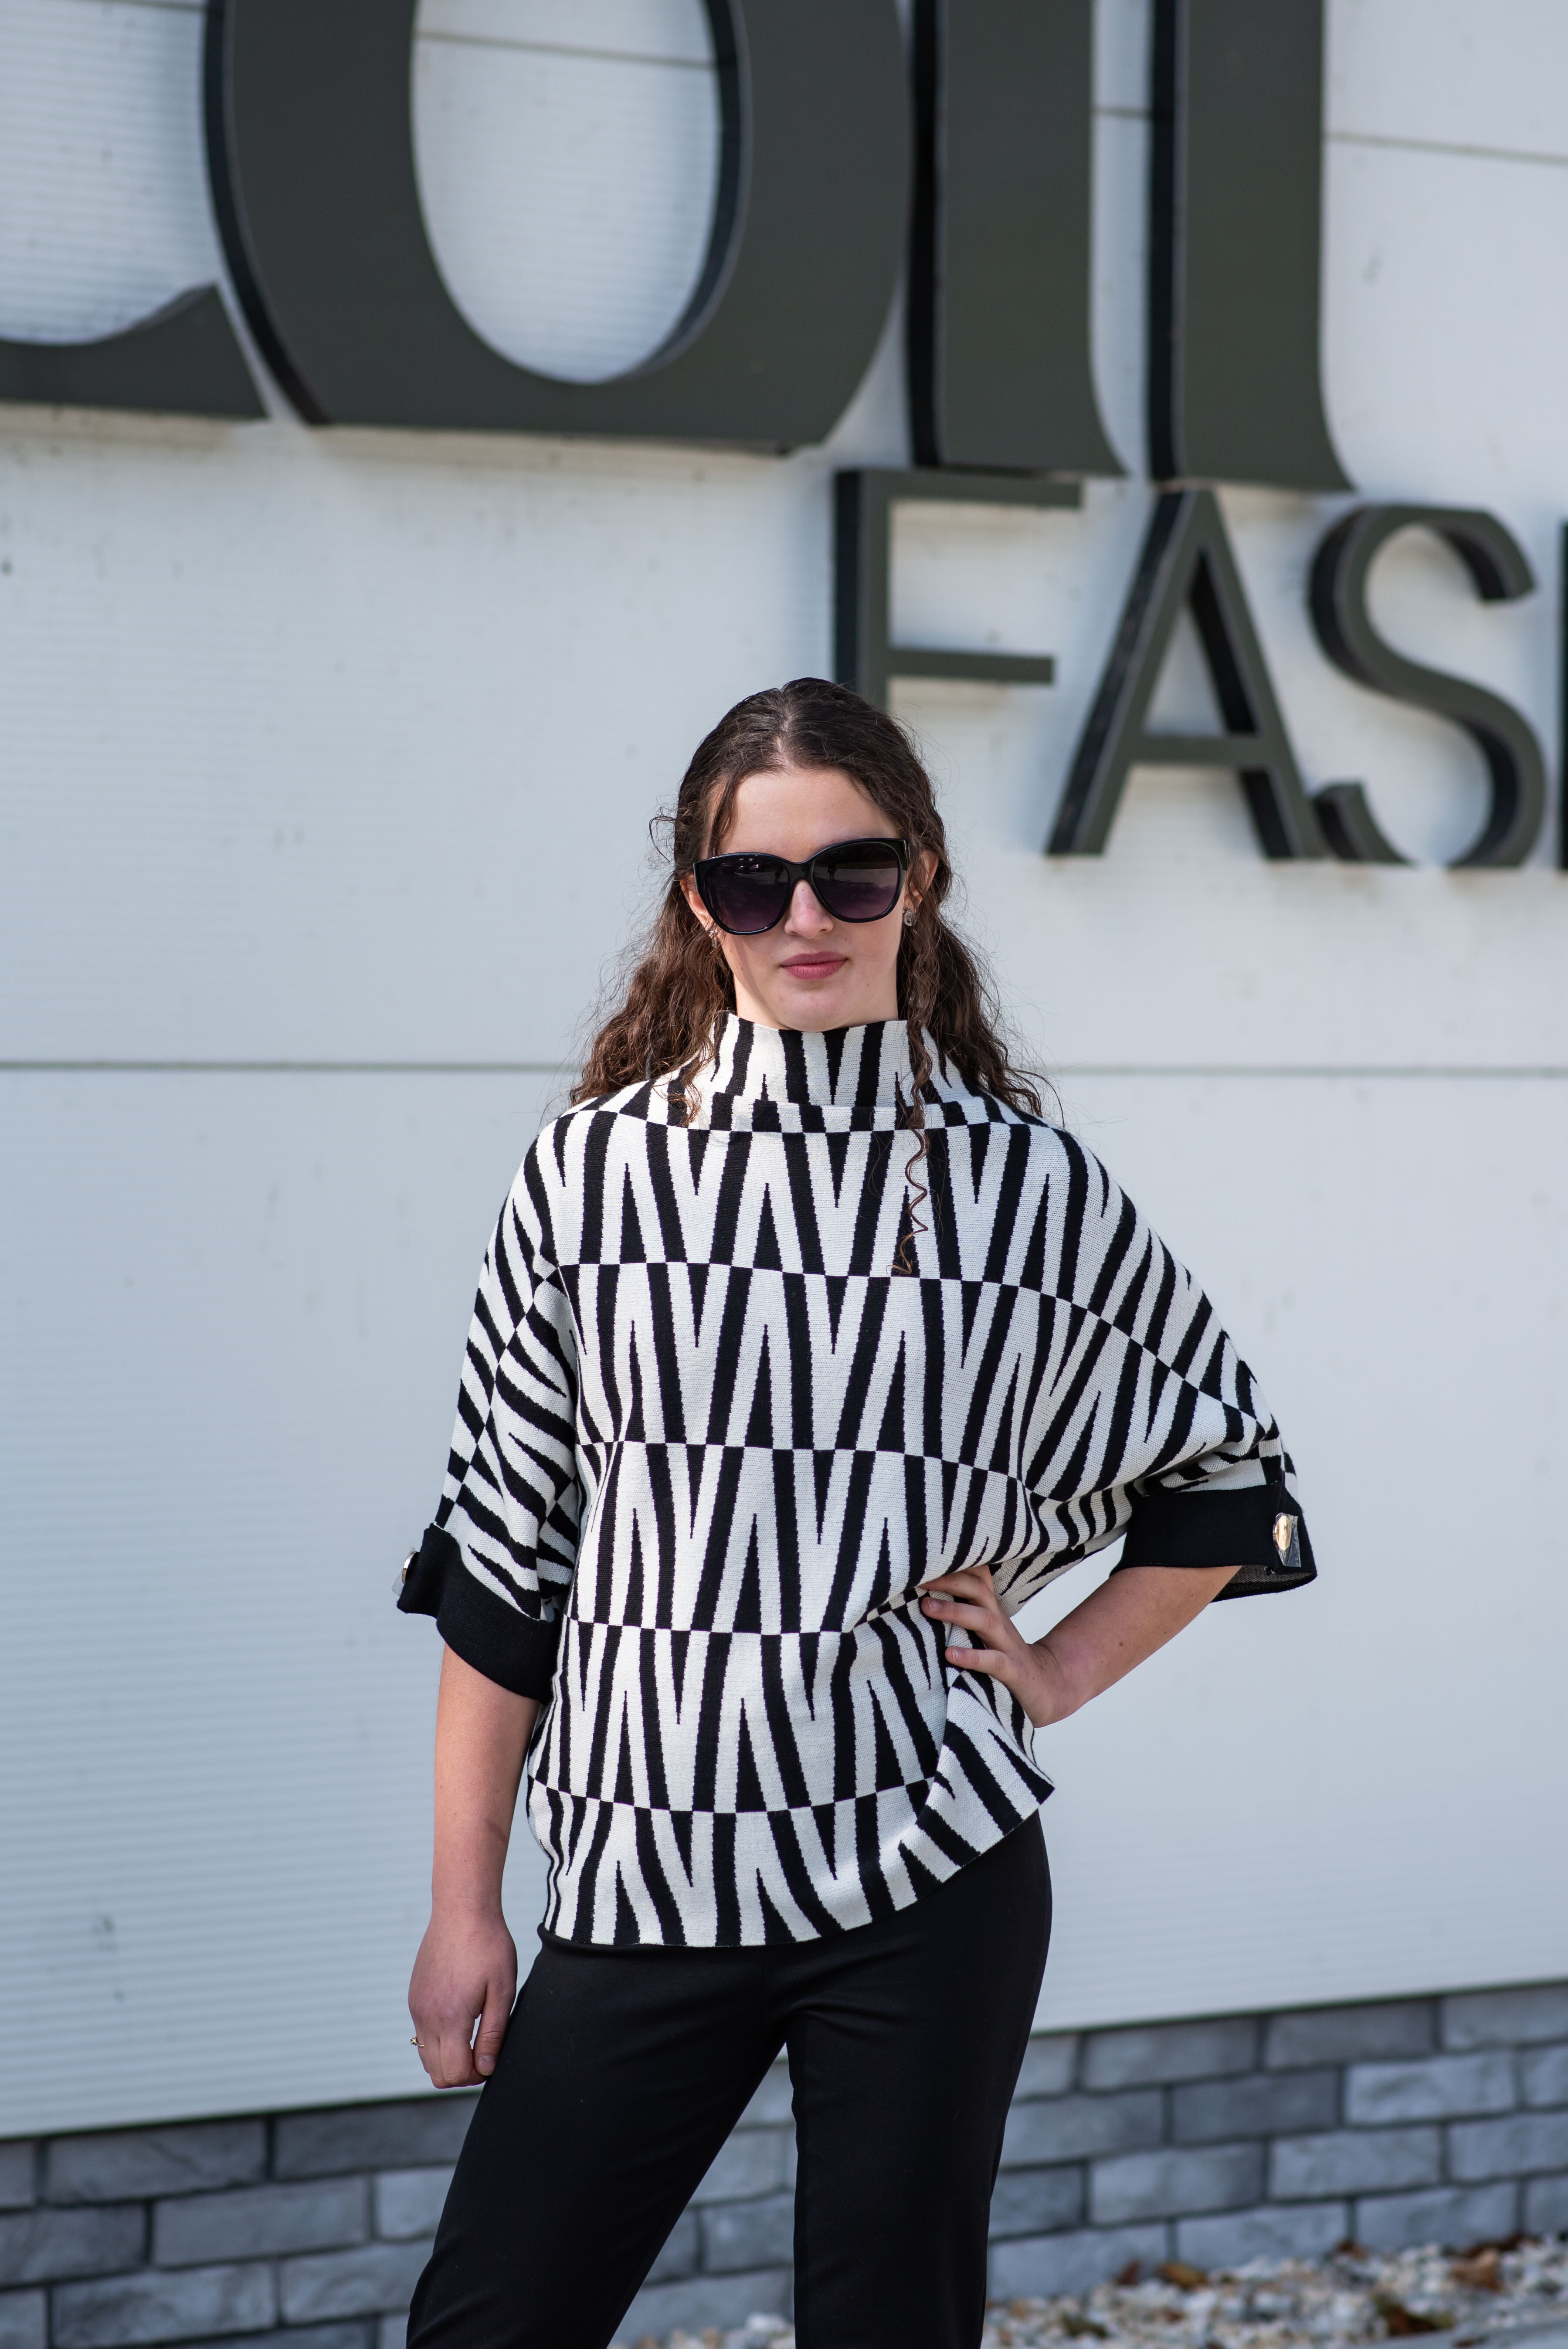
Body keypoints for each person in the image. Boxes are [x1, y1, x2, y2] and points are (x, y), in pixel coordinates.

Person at [395, 679, 1315, 2349]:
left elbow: (1227, 1474)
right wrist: (466, 1903)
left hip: (926, 1869)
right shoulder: (588, 1177)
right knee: (491, 2325)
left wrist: (1060, 1671)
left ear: (923, 877)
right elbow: (502, 1558)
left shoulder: (1027, 1188)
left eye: (851, 872)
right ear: (700, 901)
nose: (805, 917)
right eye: (755, 881)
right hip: (643, 1873)